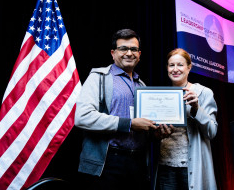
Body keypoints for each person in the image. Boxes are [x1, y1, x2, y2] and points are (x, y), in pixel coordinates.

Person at [74, 29, 158, 190]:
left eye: (133, 49)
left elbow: (143, 127)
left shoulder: (143, 86)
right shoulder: (98, 77)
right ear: (113, 53)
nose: (129, 53)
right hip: (108, 162)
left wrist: (156, 133)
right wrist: (129, 124)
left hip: (138, 163)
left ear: (139, 54)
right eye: (123, 48)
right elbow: (82, 117)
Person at [155, 48, 218, 190]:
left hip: (191, 167)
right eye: (171, 65)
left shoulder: (203, 93)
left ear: (189, 67)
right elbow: (153, 135)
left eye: (180, 65)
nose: (175, 69)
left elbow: (212, 132)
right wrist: (157, 134)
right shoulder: (160, 96)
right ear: (167, 68)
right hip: (165, 166)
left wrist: (196, 108)